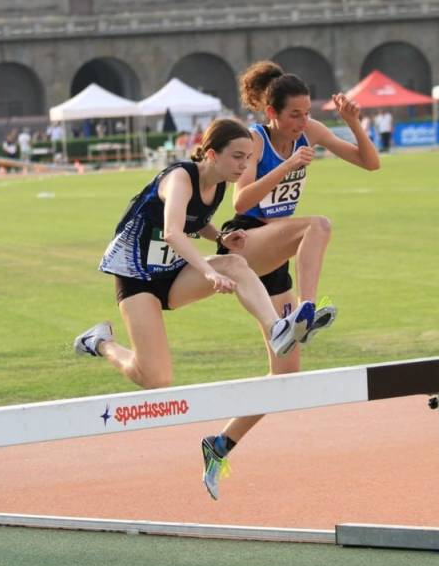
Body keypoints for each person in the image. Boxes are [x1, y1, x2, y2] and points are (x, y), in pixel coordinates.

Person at [199, 60, 380, 500]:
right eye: (295, 115)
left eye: (308, 112)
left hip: (274, 257)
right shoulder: (255, 142)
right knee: (317, 225)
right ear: (271, 114)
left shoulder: (310, 131)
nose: (304, 122)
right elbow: (241, 197)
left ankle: (220, 443)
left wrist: (355, 125)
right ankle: (308, 309)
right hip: (246, 244)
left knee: (286, 376)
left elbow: (368, 163)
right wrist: (288, 165)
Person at [73, 117, 324, 403]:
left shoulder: (217, 183)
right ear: (212, 154)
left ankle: (277, 329)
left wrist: (219, 238)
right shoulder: (180, 178)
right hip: (137, 277)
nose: (244, 166)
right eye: (237, 157)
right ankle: (100, 342)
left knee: (234, 264)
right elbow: (172, 232)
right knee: (156, 378)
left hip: (171, 274)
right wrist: (208, 272)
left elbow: (197, 219)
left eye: (249, 158)